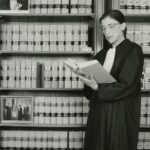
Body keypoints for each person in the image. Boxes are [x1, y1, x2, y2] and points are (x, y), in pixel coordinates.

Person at [74, 9, 144, 150]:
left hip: (119, 114)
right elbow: (89, 92)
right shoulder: (101, 54)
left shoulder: (133, 50)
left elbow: (126, 84)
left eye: (111, 26)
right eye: (104, 28)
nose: (107, 32)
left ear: (123, 26)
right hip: (98, 112)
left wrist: (97, 87)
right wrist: (84, 76)